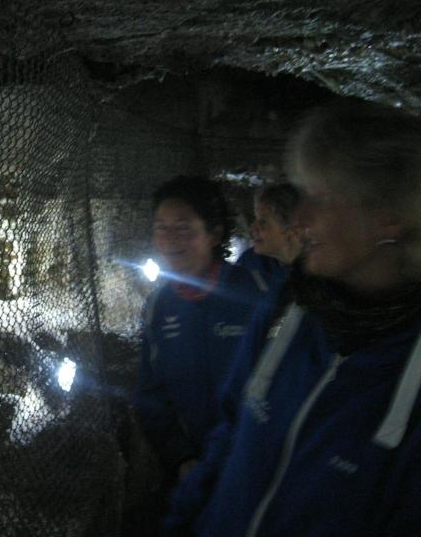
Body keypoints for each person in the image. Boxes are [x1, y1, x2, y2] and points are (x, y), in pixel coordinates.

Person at [165, 100, 421, 536]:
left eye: (320, 198)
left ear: (388, 217)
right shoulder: (287, 307)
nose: (299, 219)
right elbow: (231, 432)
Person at [133, 176, 264, 508]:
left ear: (214, 233)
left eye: (183, 227)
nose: (169, 239)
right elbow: (150, 392)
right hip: (195, 471)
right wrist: (181, 458)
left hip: (258, 466)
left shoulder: (258, 294)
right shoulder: (160, 306)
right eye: (161, 228)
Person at [236, 183, 304, 292]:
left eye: (263, 222)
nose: (253, 228)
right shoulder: (250, 262)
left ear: (291, 228)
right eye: (255, 219)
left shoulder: (319, 270)